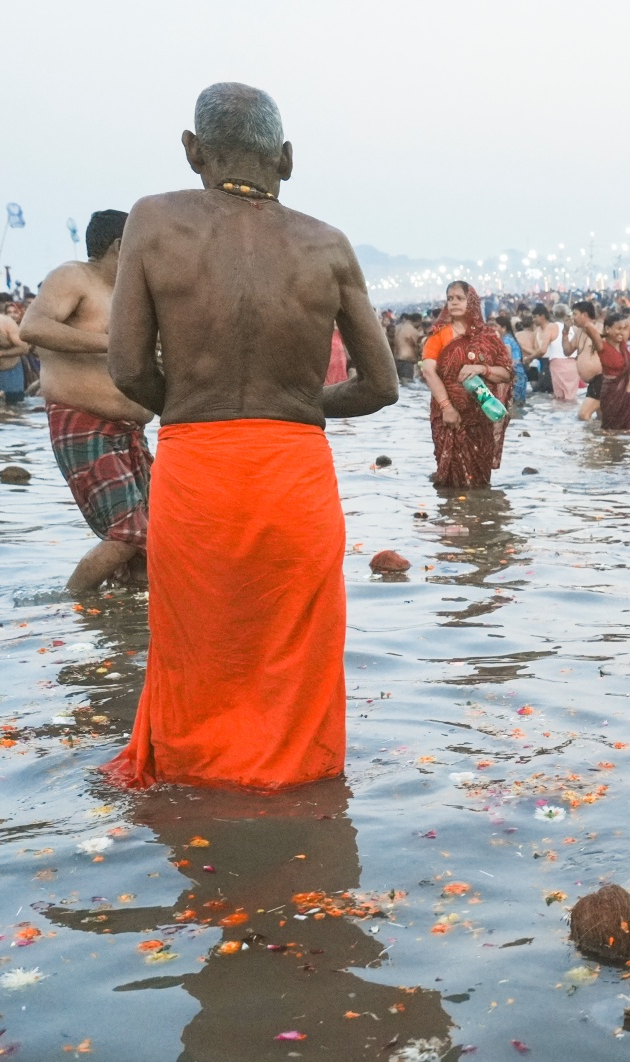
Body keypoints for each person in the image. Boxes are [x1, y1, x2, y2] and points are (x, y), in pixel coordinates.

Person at [102, 81, 397, 791]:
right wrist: (295, 405)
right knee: (296, 655)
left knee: (198, 646)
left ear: (192, 150)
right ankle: (301, 801)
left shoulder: (153, 221)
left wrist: (191, 408)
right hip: (293, 470)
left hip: (196, 468)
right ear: (286, 159)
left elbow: (128, 367)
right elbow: (382, 385)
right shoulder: (328, 245)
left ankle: (194, 801)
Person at [19, 209, 160, 592]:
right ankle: (66, 605)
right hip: (83, 423)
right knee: (129, 534)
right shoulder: (73, 276)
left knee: (157, 536)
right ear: (120, 245)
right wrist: (112, 344)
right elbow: (32, 327)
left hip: (130, 431)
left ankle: (122, 616)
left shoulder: (133, 294)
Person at [418, 281, 511, 490]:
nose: (453, 302)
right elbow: (428, 371)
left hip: (481, 416)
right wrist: (447, 407)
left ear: (472, 302)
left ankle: (479, 509)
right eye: (450, 299)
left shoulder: (489, 337)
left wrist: (481, 369)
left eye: (459, 298)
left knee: (480, 479)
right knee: (451, 479)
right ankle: (452, 509)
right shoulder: (438, 335)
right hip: (449, 417)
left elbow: (506, 373)